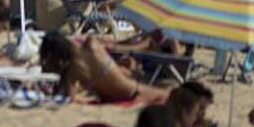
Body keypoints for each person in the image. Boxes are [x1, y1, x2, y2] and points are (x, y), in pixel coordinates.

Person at [39, 32, 168, 105]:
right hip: (130, 91)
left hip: (127, 94)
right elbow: (115, 48)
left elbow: (67, 99)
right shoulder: (91, 44)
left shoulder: (71, 72)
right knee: (170, 97)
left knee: (169, 97)